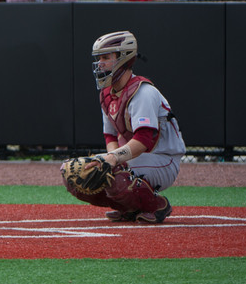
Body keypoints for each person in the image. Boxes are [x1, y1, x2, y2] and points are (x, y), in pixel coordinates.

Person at [63, 30, 184, 223]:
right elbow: (110, 136)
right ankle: (127, 207)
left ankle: (157, 205)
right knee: (73, 172)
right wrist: (111, 159)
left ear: (123, 57)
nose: (100, 63)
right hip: (135, 157)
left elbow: (144, 140)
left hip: (163, 159)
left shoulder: (143, 92)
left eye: (106, 57)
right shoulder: (106, 93)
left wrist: (113, 160)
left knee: (115, 174)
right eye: (99, 58)